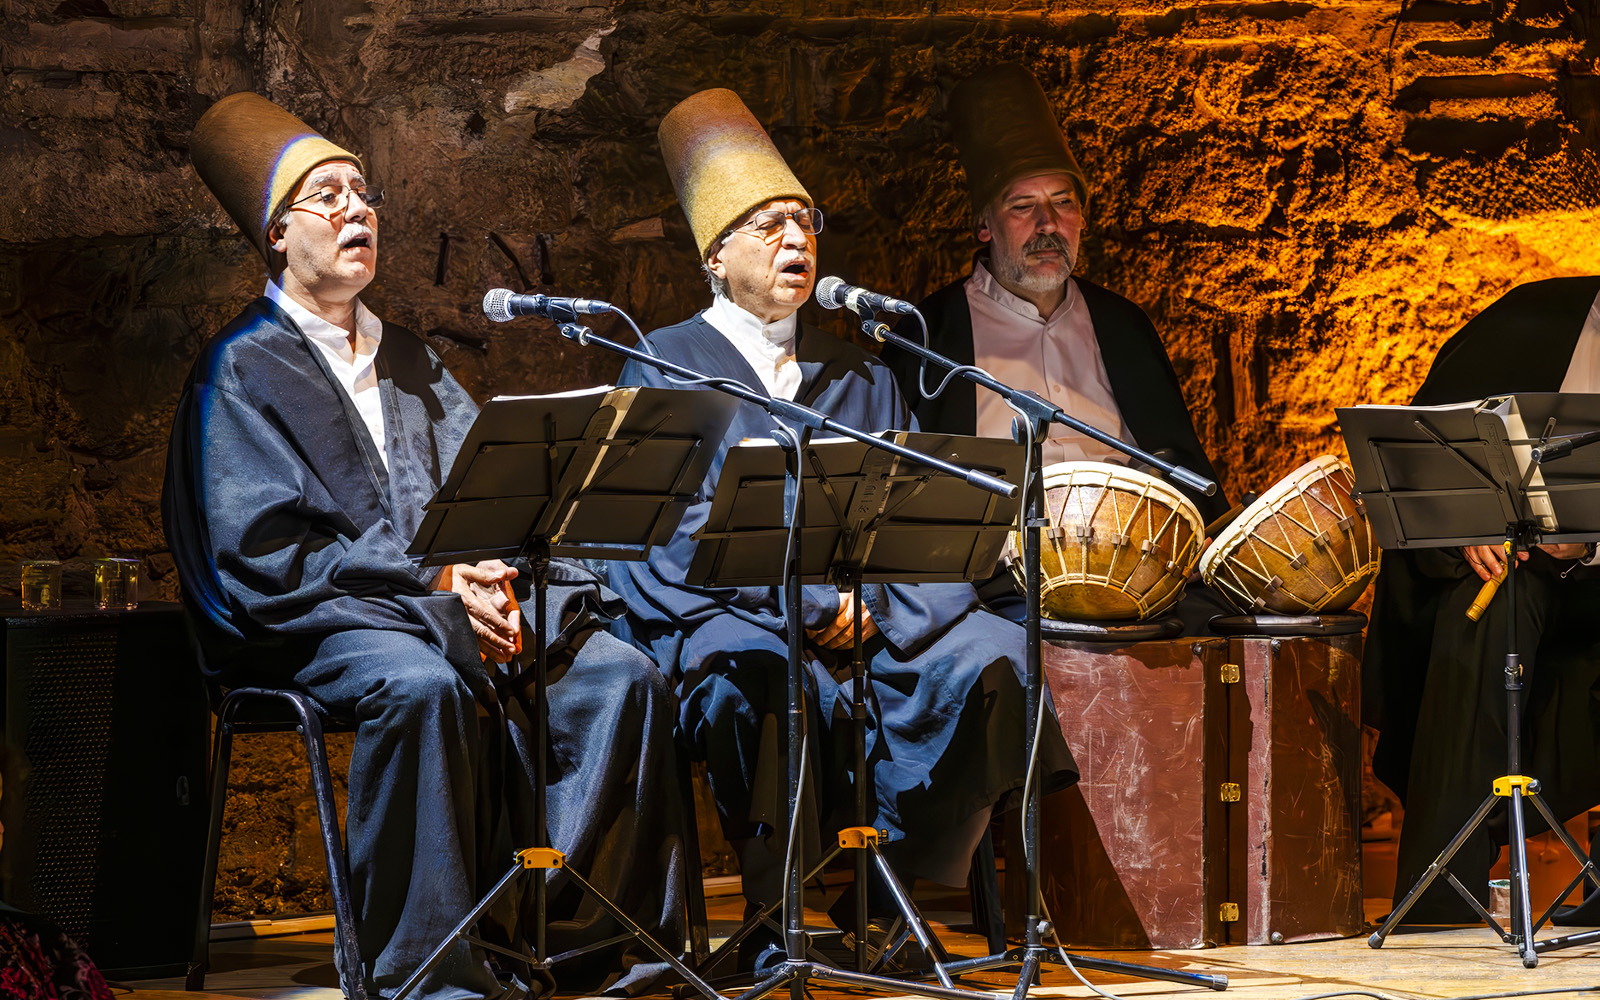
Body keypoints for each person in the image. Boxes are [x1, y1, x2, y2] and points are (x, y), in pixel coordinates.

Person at [163, 92, 685, 999]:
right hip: (318, 615)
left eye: (362, 193)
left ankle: (574, 940)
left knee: (618, 676)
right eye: (327, 197)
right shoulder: (239, 369)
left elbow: (489, 487)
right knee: (423, 683)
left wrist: (494, 575)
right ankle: (428, 969)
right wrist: (433, 581)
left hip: (441, 600)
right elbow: (263, 550)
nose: (356, 210)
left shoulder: (410, 357)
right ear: (278, 235)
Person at [605, 88, 1077, 967]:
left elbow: (909, 508)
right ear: (715, 255)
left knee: (996, 657)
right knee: (762, 676)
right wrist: (813, 605)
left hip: (880, 609)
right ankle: (768, 917)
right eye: (769, 226)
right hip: (736, 612)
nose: (796, 241)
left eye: (805, 222)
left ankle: (893, 893)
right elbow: (672, 531)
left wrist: (877, 605)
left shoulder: (858, 372)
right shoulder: (663, 363)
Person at [880, 65, 1230, 625]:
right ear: (985, 225)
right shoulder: (929, 334)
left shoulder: (1122, 326)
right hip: (999, 591)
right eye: (1023, 207)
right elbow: (901, 502)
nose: (1048, 224)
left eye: (1063, 202)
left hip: (1140, 576)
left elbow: (1180, 469)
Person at [1365, 276, 1600, 924]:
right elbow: (1424, 467)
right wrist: (1465, 530)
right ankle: (1446, 889)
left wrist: (1585, 548)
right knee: (1487, 605)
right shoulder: (1528, 321)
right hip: (1516, 570)